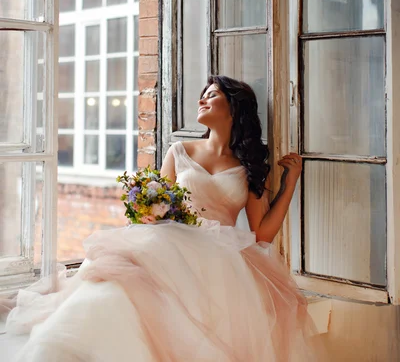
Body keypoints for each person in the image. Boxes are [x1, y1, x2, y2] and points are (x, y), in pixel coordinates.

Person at [5, 75, 322, 361]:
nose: (201, 100)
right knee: (111, 294)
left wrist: (290, 182)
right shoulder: (180, 150)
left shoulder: (251, 166)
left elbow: (262, 233)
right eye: (203, 94)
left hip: (220, 258)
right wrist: (148, 210)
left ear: (235, 108)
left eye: (211, 95)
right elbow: (157, 203)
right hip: (170, 242)